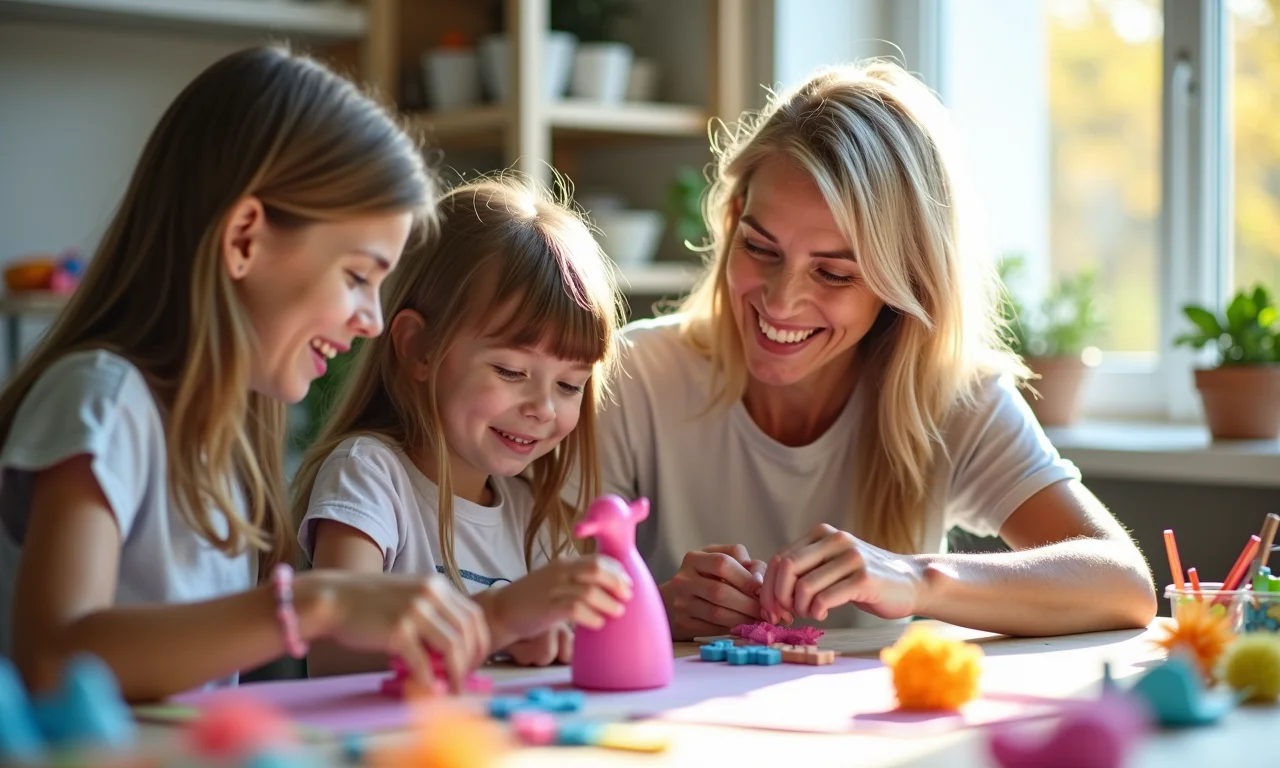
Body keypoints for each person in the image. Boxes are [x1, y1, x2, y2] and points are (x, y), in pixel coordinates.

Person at [591, 61, 1158, 641]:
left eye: (834, 274)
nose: (782, 302)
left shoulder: (955, 397)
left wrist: (917, 580)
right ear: (734, 221)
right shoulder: (634, 375)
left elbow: (1122, 585)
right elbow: (527, 593)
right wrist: (654, 608)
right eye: (761, 248)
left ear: (903, 283)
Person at [0, 46, 489, 702]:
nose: (371, 320)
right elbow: (55, 660)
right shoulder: (102, 399)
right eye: (355, 277)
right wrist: (315, 605)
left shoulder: (229, 435)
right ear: (243, 239)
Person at [294, 178, 632, 673]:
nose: (542, 407)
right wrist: (497, 618)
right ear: (418, 348)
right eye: (511, 371)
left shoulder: (534, 517)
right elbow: (335, 656)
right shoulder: (368, 476)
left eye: (569, 385)